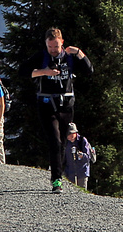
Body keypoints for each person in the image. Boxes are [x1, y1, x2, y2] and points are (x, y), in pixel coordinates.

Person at [30, 27, 93, 192]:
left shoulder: (69, 58)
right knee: (55, 141)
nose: (53, 50)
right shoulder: (42, 57)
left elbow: (89, 70)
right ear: (46, 44)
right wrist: (44, 72)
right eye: (50, 46)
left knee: (63, 143)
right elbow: (23, 71)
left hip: (66, 106)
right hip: (46, 105)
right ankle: (56, 179)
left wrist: (78, 52)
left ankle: (59, 171)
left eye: (56, 47)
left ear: (62, 43)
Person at [62, 122, 93, 190]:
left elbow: (88, 157)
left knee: (82, 191)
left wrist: (82, 156)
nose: (68, 137)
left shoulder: (82, 141)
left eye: (70, 134)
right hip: (69, 173)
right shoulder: (66, 142)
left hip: (82, 173)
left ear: (75, 133)